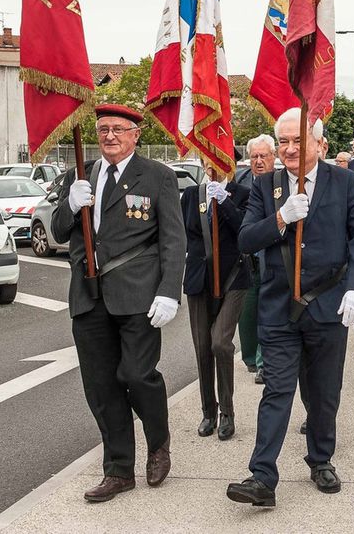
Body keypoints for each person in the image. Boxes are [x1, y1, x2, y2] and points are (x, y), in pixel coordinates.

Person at [227, 108, 354, 507]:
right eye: (284, 142)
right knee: (276, 390)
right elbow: (246, 240)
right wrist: (280, 217)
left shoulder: (344, 182)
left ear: (318, 143)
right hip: (278, 309)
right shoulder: (266, 186)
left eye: (298, 140)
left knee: (324, 393)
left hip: (328, 305)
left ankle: (321, 458)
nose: (290, 149)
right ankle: (262, 476)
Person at [52, 104, 186, 502]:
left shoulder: (158, 176)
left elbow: (173, 240)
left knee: (136, 375)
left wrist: (169, 290)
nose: (109, 136)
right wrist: (70, 204)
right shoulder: (81, 173)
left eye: (118, 129)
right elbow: (59, 231)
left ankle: (158, 443)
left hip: (138, 295)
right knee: (101, 386)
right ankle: (118, 470)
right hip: (89, 297)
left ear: (135, 134)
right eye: (103, 129)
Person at [181, 163, 250, 441]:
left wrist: (225, 203)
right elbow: (186, 234)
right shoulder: (190, 195)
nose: (212, 167)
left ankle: (228, 413)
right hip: (200, 279)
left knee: (220, 342)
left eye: (219, 161)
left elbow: (244, 229)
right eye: (208, 161)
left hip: (233, 277)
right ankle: (209, 411)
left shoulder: (242, 193)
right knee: (201, 348)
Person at [237, 134, 276, 385]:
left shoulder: (280, 182)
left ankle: (264, 363)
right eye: (254, 157)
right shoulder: (239, 180)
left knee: (268, 313)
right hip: (244, 261)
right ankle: (251, 358)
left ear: (274, 158)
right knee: (247, 314)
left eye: (264, 156)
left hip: (271, 259)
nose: (259, 161)